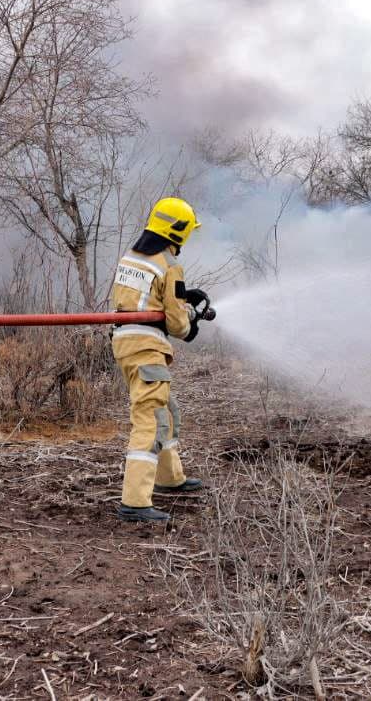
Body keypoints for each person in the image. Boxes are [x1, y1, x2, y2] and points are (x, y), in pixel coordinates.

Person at [110, 197, 215, 522]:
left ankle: (169, 478)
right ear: (179, 231)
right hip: (146, 347)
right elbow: (176, 324)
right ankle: (135, 502)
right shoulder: (169, 266)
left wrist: (182, 298)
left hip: (125, 340)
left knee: (165, 410)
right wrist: (190, 322)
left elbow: (147, 299)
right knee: (150, 419)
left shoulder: (133, 257)